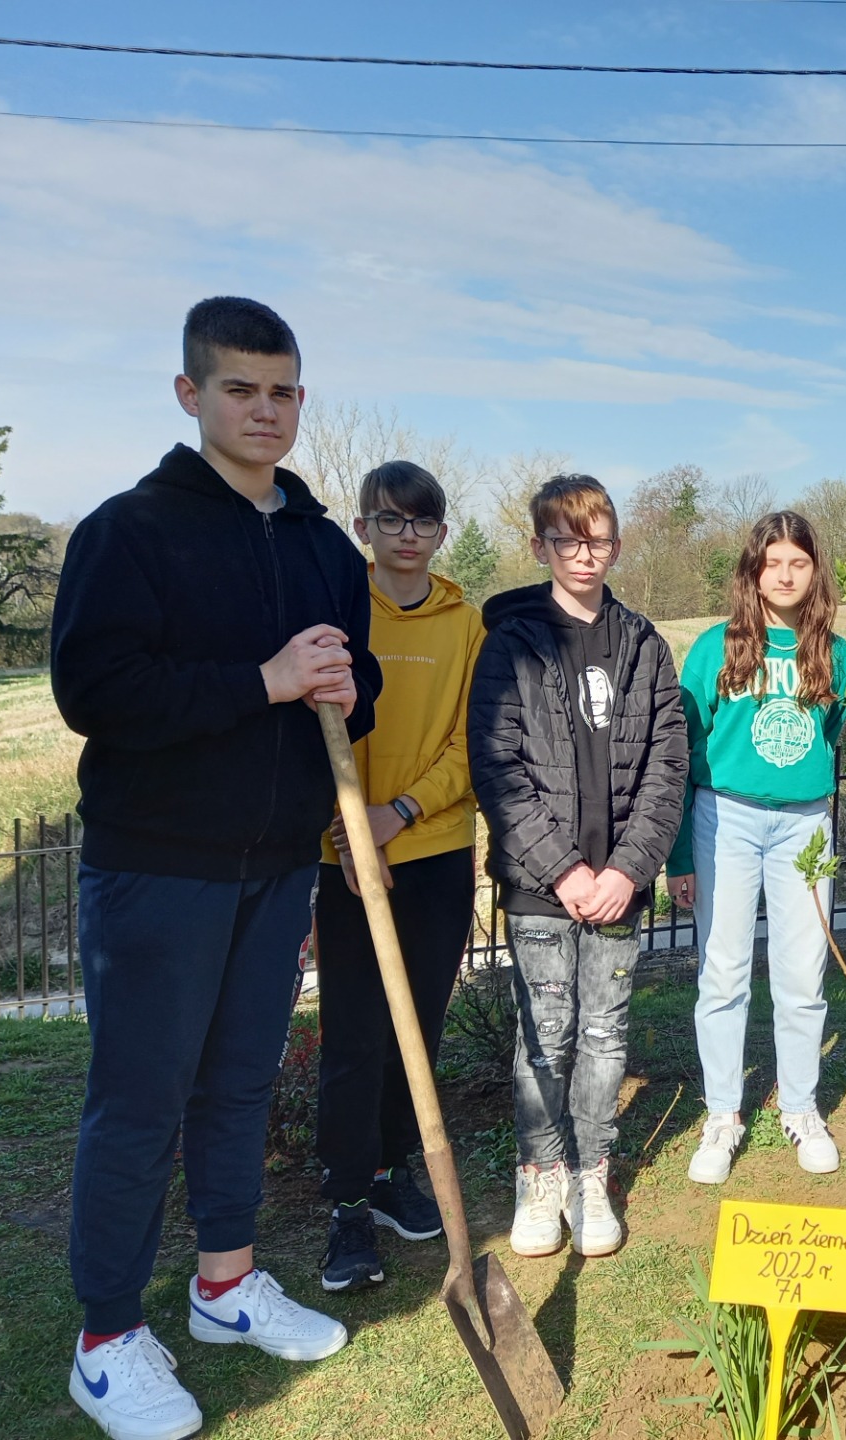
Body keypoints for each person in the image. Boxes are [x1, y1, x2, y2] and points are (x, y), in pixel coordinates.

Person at [51, 297, 380, 1440]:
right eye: (241, 389)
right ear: (190, 395)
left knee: (238, 1082)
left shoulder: (320, 544)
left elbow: (358, 675)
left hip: (277, 860)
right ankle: (106, 1339)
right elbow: (95, 694)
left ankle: (226, 1286)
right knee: (138, 1102)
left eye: (284, 390)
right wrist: (264, 681)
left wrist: (345, 685)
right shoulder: (129, 533)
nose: (267, 411)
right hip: (160, 868)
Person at [468, 474, 687, 1260]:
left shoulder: (644, 645)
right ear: (540, 547)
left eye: (597, 539)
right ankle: (540, 1171)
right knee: (545, 1035)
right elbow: (498, 769)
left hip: (621, 888)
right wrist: (563, 871)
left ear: (616, 545)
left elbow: (667, 768)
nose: (583, 553)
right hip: (539, 887)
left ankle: (592, 1171)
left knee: (604, 1035)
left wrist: (628, 870)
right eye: (566, 539)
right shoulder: (511, 644)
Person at [313, 461, 487, 1293]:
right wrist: (351, 833)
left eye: (422, 522)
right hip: (347, 862)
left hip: (436, 850)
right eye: (390, 521)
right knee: (352, 1035)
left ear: (440, 534)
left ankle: (390, 1176)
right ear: (364, 531)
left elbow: (471, 739)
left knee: (418, 1025)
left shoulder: (467, 625)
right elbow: (316, 735)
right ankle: (347, 1201)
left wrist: (403, 813)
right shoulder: (341, 613)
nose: (407, 535)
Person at [666, 511, 846, 1184]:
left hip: (805, 826)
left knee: (803, 974)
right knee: (724, 973)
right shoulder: (715, 649)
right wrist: (680, 856)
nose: (785, 573)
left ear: (814, 571)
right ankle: (724, 1113)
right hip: (727, 819)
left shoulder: (836, 653)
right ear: (754, 570)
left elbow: (830, 739)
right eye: (773, 562)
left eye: (798, 562)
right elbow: (684, 754)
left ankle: (800, 1107)